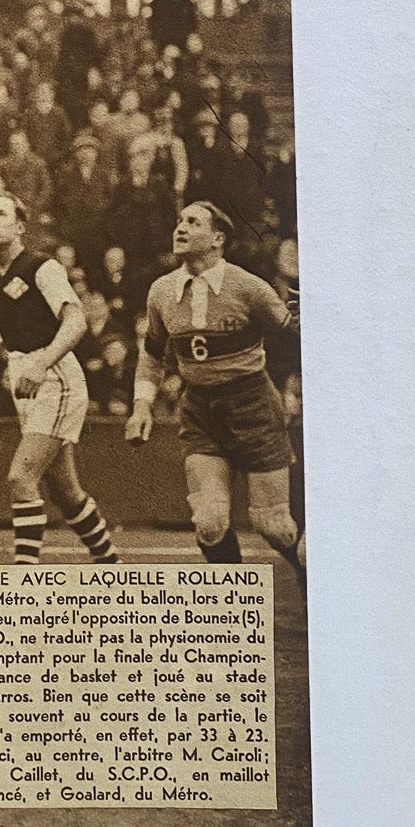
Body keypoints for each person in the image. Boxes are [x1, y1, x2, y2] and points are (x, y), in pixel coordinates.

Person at [124, 200, 305, 595]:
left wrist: (312, 321)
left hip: (253, 405)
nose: (181, 228)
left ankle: (314, 578)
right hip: (201, 409)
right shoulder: (161, 292)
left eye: (193, 222)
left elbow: (295, 336)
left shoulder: (248, 287)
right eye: (179, 221)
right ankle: (235, 602)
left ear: (218, 239)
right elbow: (153, 355)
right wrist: (142, 406)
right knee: (208, 521)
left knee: (274, 526)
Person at [0, 194, 121, 565]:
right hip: (24, 379)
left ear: (19, 227)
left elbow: (76, 320)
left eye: (0, 213)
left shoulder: (41, 268)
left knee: (21, 476)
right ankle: (111, 563)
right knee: (64, 489)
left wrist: (43, 362)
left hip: (56, 376)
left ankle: (24, 576)